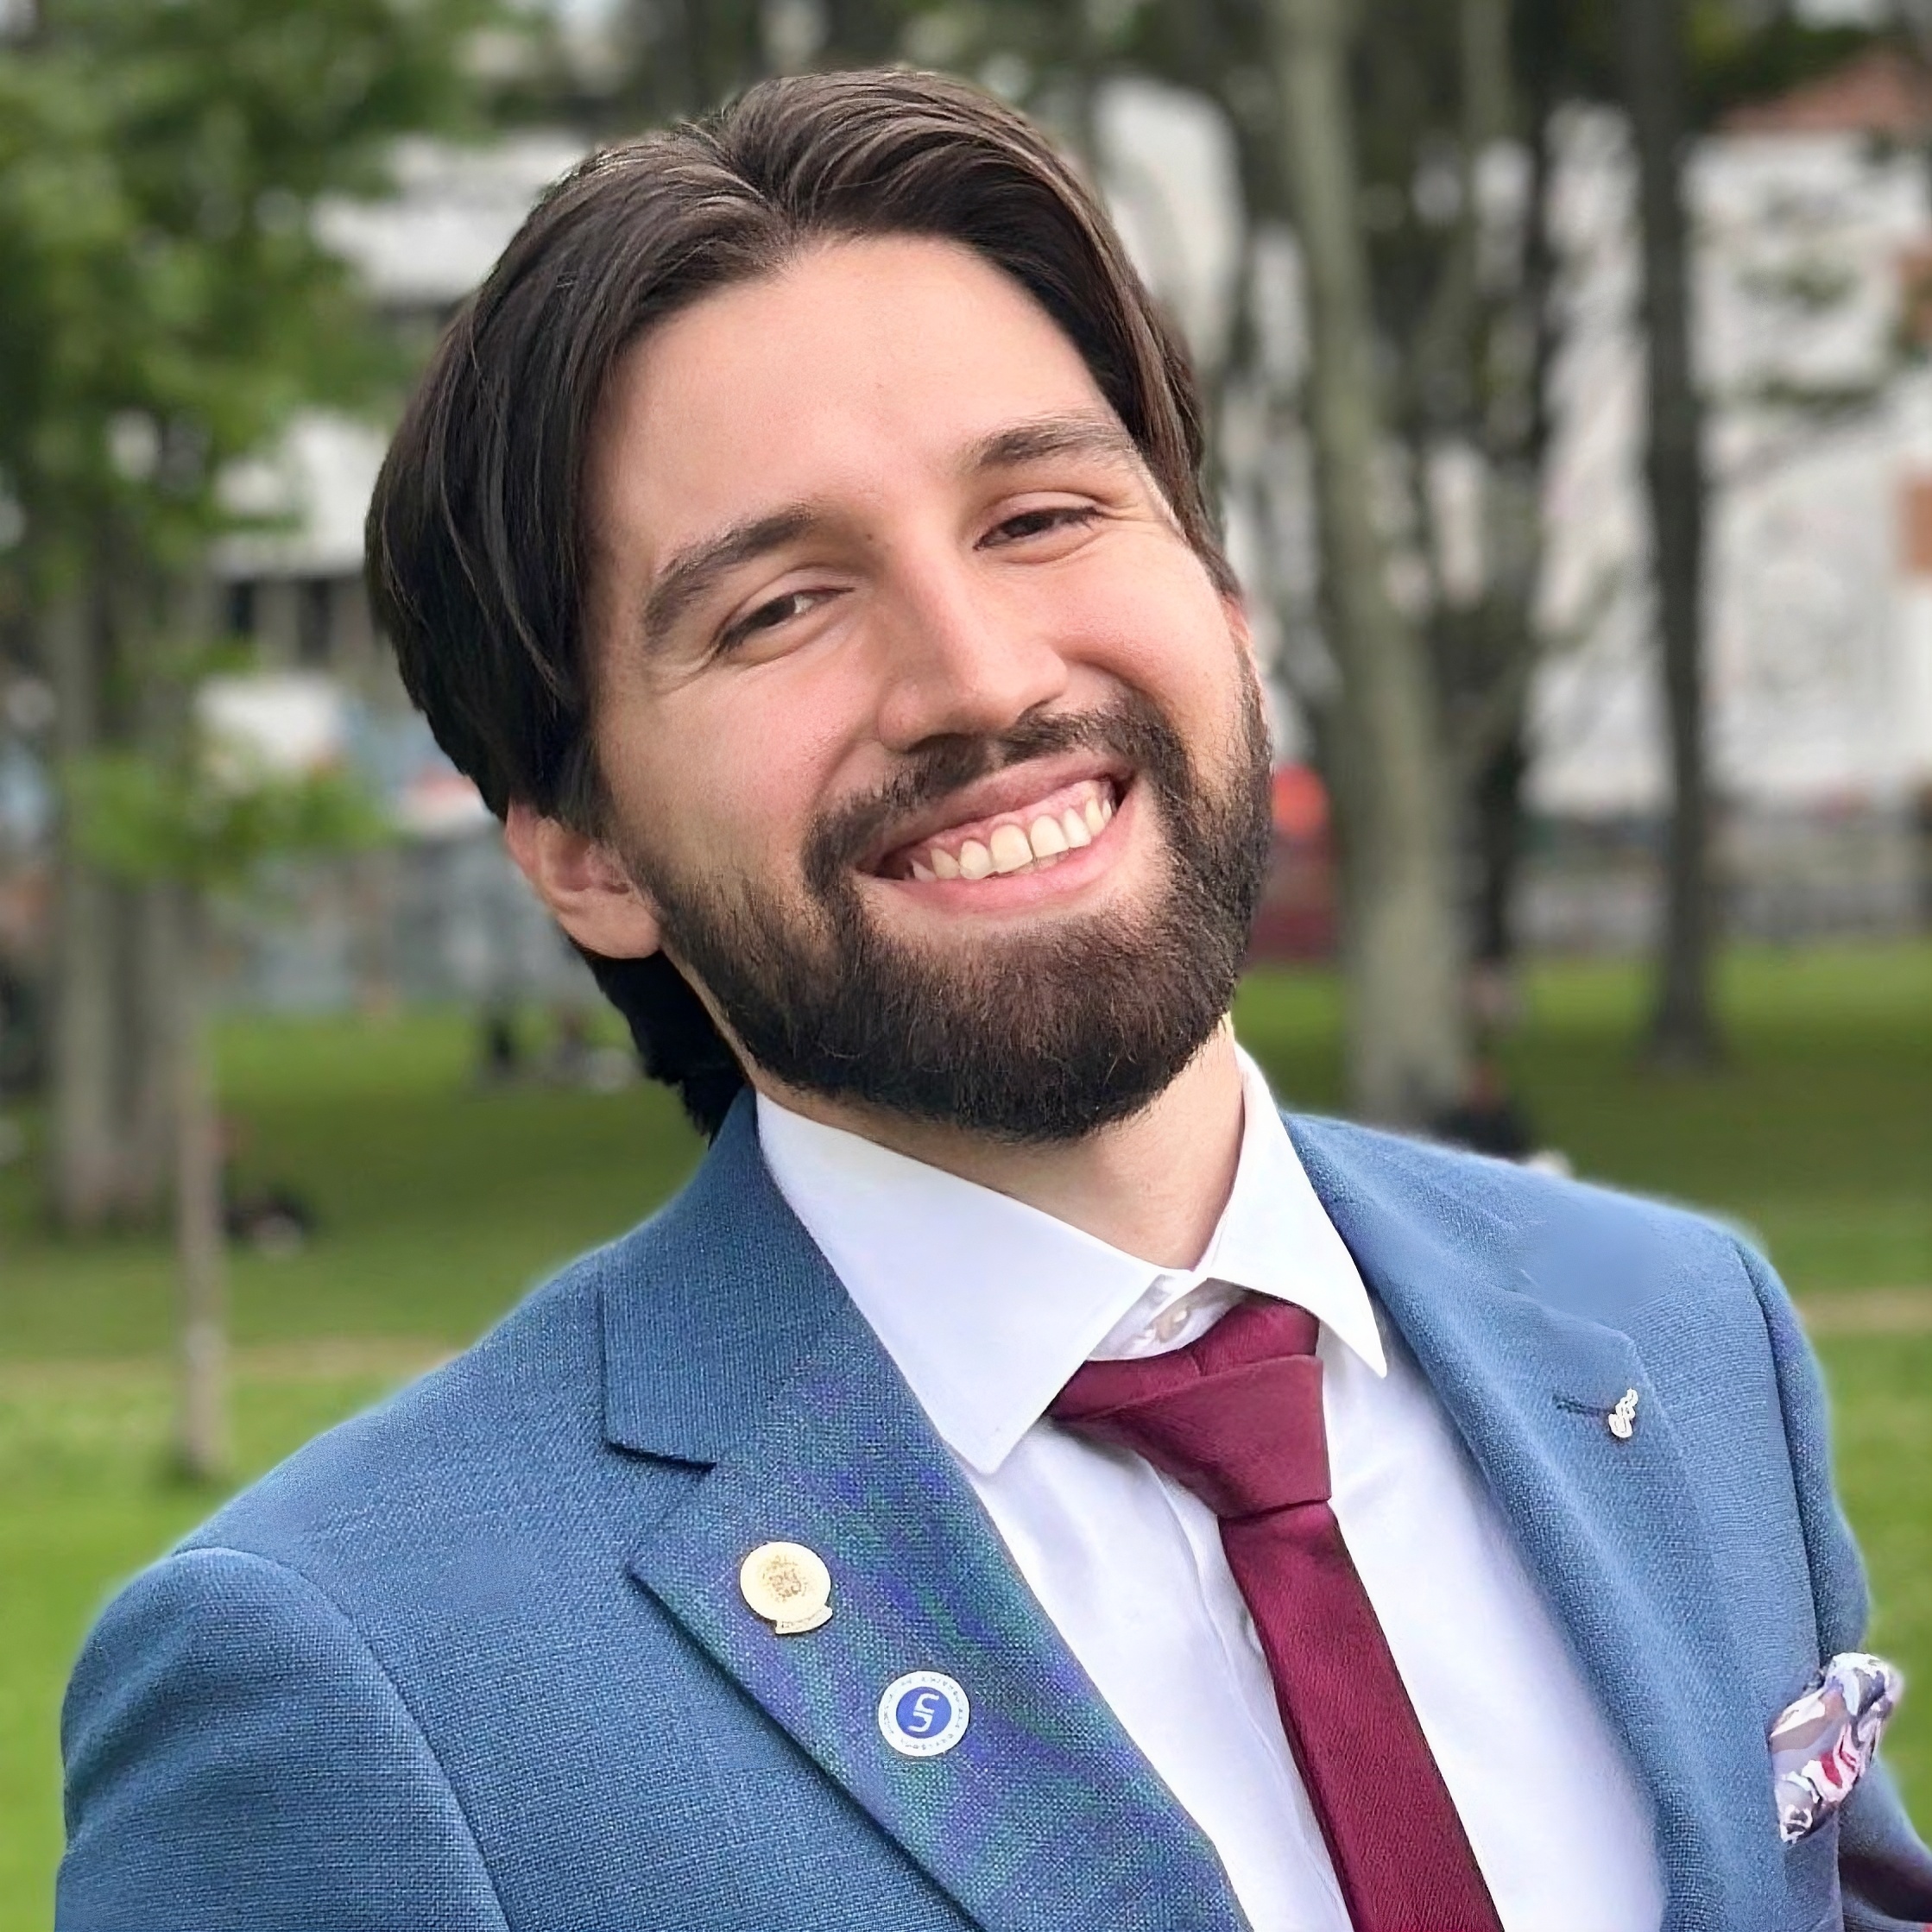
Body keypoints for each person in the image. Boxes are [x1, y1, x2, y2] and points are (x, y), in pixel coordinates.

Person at [57, 70, 1932, 1932]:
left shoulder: (1677, 1334)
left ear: (1223, 601)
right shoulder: (352, 1689)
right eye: (778, 607)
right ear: (583, 851)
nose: (977, 676)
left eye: (1040, 515)